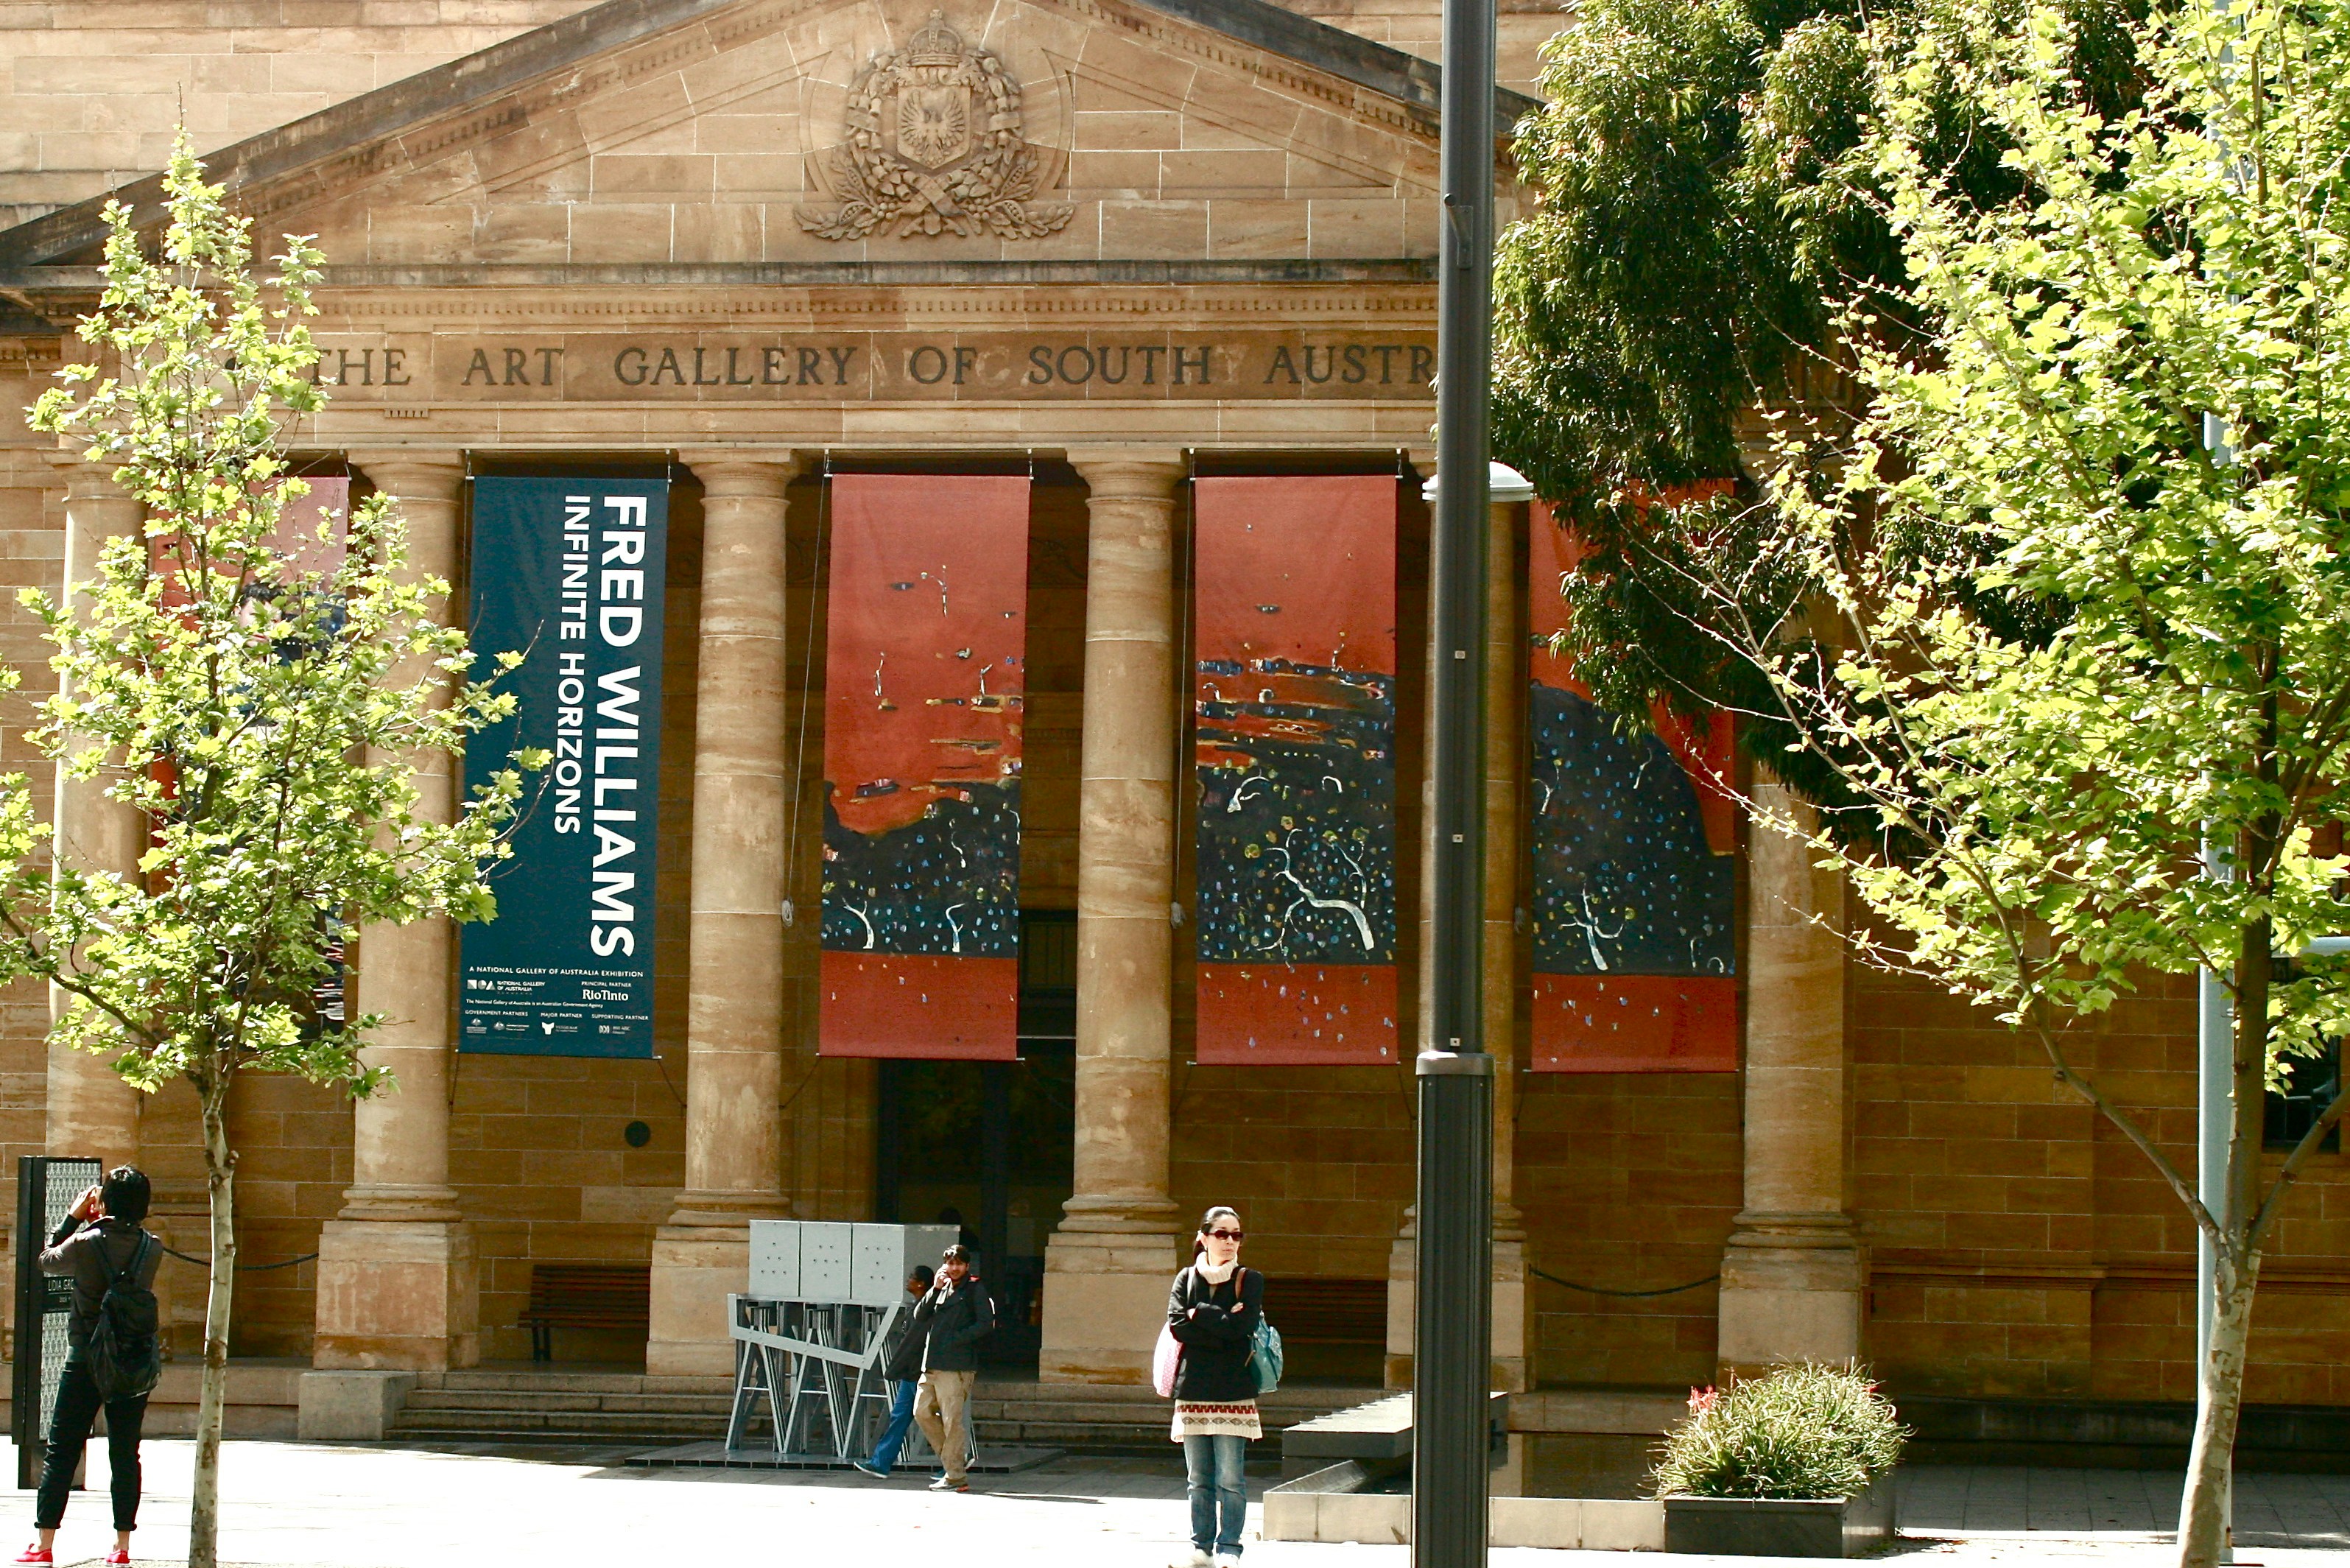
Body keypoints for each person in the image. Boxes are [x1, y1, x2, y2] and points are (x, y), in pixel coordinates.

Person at [18, 1167, 161, 1568]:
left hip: (85, 1357)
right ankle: (122, 1547)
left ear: (106, 1201)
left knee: (62, 1450)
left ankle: (43, 1544)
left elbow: (47, 1260)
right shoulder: (154, 1246)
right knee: (125, 1452)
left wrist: (74, 1218)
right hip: (132, 1360)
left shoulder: (85, 1241)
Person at [1166, 1206, 1264, 1568]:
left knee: (1231, 1479)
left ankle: (1229, 1548)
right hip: (1193, 1389)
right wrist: (1222, 1321)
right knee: (1198, 1479)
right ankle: (1201, 1547)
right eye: (1222, 1234)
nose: (1229, 1241)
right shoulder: (1186, 1278)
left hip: (1233, 1389)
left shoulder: (1249, 1279)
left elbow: (1243, 1329)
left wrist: (1201, 1315)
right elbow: (1178, 1325)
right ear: (1204, 1237)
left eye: (1236, 1234)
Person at [907, 1243, 994, 1493]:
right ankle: (953, 1463)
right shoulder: (942, 1288)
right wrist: (934, 1289)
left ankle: (955, 1475)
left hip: (956, 1366)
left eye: (958, 1264)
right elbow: (920, 1316)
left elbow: (985, 1323)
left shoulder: (975, 1289)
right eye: (950, 1263)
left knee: (952, 1421)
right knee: (921, 1412)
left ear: (967, 1266)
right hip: (932, 1363)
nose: (953, 1268)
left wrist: (956, 1339)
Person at [854, 1264, 935, 1479]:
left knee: (929, 1418)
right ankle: (880, 1462)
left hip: (919, 1373)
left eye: (912, 1277)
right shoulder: (918, 1306)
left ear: (921, 1284)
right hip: (912, 1373)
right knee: (900, 1417)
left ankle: (955, 1461)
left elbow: (915, 1343)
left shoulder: (925, 1309)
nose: (908, 1280)